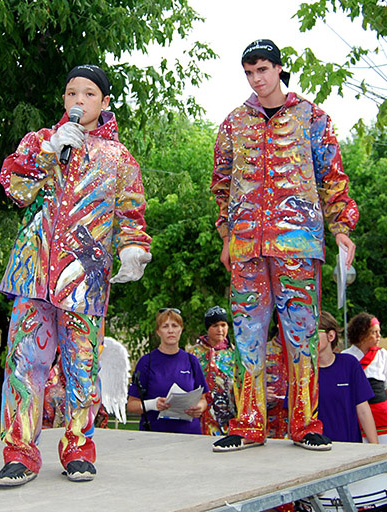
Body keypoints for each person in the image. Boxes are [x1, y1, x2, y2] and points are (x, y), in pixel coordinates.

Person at [0, 64, 151, 487]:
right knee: (25, 363)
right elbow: (14, 187)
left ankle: (79, 448)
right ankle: (20, 453)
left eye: (87, 94)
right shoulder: (41, 141)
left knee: (83, 367)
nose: (77, 101)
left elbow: (132, 213)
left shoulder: (119, 159)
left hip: (84, 280)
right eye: (70, 93)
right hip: (33, 272)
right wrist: (47, 150)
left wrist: (134, 249)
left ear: (103, 102)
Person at [210, 39, 358, 452]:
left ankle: (305, 424)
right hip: (246, 249)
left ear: (278, 69)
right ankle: (249, 423)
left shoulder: (312, 117)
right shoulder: (234, 122)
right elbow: (221, 184)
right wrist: (226, 236)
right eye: (249, 73)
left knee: (303, 335)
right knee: (247, 335)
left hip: (298, 245)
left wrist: (341, 226)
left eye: (262, 70)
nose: (256, 79)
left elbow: (333, 176)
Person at [296, 312, 383, 512]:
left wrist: (374, 450)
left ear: (331, 335)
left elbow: (363, 410)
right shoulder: (303, 372)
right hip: (315, 460)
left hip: (349, 457)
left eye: (314, 334)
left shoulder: (349, 364)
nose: (308, 339)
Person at [126, 309, 209, 434]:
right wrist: (153, 404)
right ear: (158, 332)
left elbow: (203, 399)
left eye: (175, 326)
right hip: (155, 435)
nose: (171, 330)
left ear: (181, 330)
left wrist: (199, 408)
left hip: (189, 434)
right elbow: (131, 405)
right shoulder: (146, 362)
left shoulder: (191, 361)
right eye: (165, 326)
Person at [187, 305, 236, 436]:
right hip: (200, 413)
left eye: (223, 325)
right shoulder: (194, 353)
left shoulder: (235, 353)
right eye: (215, 326)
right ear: (208, 328)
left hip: (228, 415)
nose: (220, 330)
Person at [342, 313, 387, 442]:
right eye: (374, 332)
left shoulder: (382, 355)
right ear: (361, 334)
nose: (378, 336)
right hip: (356, 413)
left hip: (381, 413)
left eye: (379, 332)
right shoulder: (346, 357)